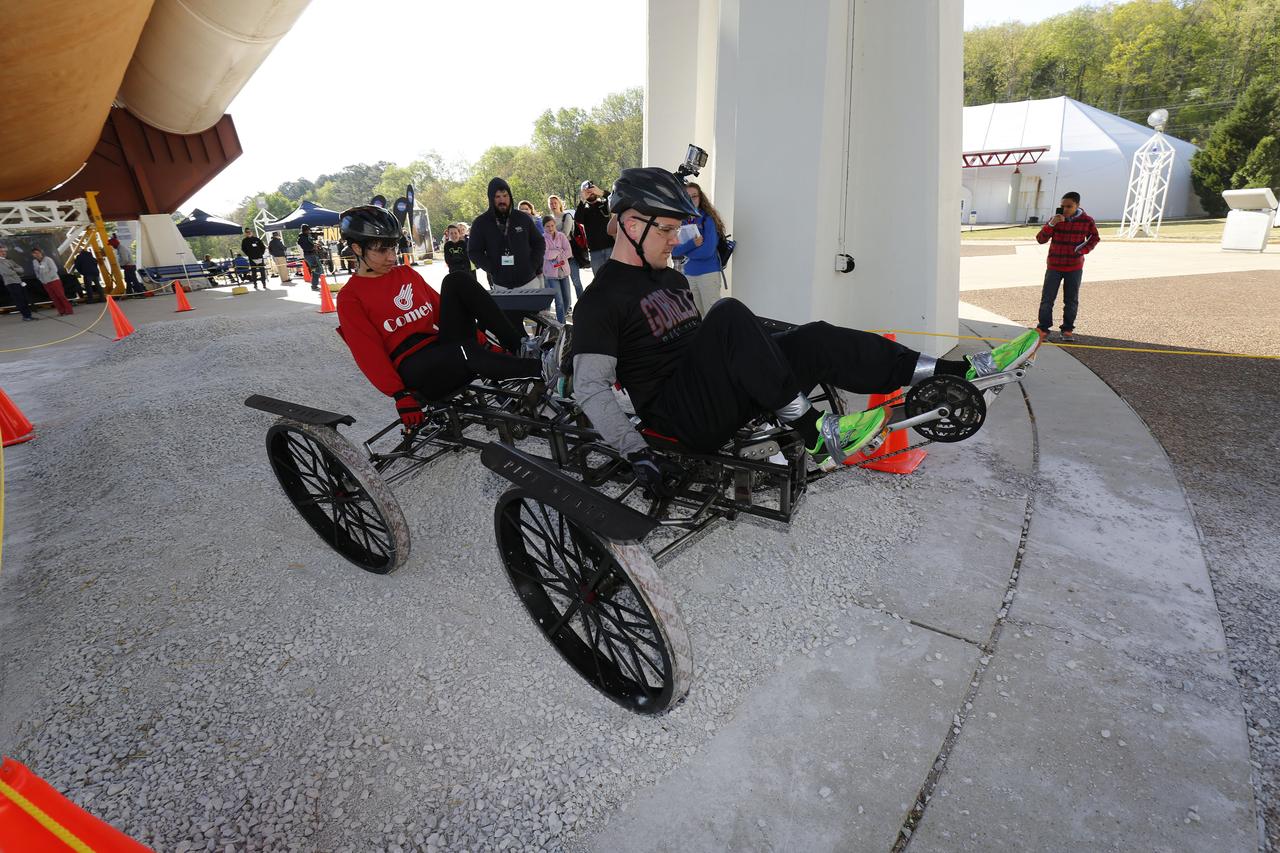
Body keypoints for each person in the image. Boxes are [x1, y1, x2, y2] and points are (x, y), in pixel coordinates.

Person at [568, 167, 1042, 493]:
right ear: (631, 223)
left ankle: (953, 371)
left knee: (812, 336)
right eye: (668, 230)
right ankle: (816, 432)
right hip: (680, 417)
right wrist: (634, 452)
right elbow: (589, 388)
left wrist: (766, 350)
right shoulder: (600, 300)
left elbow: (702, 348)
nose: (677, 240)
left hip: (716, 392)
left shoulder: (670, 278)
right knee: (729, 313)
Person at [334, 205, 551, 429]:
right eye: (382, 250)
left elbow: (442, 311)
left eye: (394, 247)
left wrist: (485, 344)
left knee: (456, 280)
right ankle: (540, 369)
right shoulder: (351, 297)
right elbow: (368, 353)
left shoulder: (406, 273)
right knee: (464, 351)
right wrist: (399, 394)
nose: (392, 257)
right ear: (357, 249)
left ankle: (519, 346)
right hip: (415, 369)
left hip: (442, 348)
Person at [1035, 191, 1099, 343]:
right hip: (1054, 265)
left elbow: (1094, 238)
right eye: (1062, 206)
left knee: (1071, 300)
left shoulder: (1087, 221)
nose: (1065, 209)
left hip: (1074, 266)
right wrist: (1052, 224)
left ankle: (1067, 329)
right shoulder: (1055, 220)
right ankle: (1043, 329)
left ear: (1078, 206)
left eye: (1069, 206)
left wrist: (1082, 250)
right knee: (1047, 299)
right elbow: (1040, 239)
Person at [468, 177, 545, 291]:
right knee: (505, 310)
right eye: (497, 197)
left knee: (531, 309)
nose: (502, 200)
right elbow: (474, 251)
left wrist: (532, 265)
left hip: (528, 282)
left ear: (510, 196)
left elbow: (539, 242)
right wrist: (492, 268)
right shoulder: (481, 223)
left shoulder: (523, 218)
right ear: (491, 198)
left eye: (505, 196)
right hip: (501, 285)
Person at [671, 181, 725, 316]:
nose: (692, 200)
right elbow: (674, 251)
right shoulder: (681, 221)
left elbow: (707, 251)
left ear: (700, 197)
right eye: (688, 197)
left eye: (694, 196)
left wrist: (686, 251)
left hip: (708, 274)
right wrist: (693, 244)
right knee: (695, 316)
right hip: (688, 274)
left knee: (712, 315)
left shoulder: (708, 219)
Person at [548, 194, 585, 299]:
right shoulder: (549, 219)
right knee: (563, 283)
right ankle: (567, 306)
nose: (553, 205)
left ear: (560, 204)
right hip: (556, 257)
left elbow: (564, 233)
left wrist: (552, 237)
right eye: (551, 203)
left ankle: (581, 303)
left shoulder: (566, 216)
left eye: (555, 202)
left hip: (569, 254)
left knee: (576, 281)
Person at [574, 180, 614, 274]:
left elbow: (614, 199)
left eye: (592, 190)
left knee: (614, 278)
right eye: (587, 191)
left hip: (610, 248)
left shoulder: (604, 204)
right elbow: (578, 219)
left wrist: (602, 192)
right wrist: (583, 200)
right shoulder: (584, 208)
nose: (590, 193)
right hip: (595, 252)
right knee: (599, 282)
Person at [541, 215, 573, 322]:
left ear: (555, 225)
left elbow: (569, 251)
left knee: (567, 300)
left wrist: (555, 253)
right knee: (559, 301)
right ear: (543, 227)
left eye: (552, 225)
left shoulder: (561, 236)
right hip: (551, 273)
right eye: (547, 226)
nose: (550, 228)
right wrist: (559, 251)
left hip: (563, 271)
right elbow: (547, 255)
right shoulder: (543, 238)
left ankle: (560, 317)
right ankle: (561, 325)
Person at [31, 247, 73, 315]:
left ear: (41, 253)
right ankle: (61, 311)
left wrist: (49, 277)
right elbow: (36, 271)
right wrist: (40, 279)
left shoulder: (48, 259)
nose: (36, 254)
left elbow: (54, 269)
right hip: (45, 283)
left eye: (37, 253)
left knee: (60, 295)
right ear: (33, 255)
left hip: (54, 280)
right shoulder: (34, 262)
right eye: (34, 253)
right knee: (54, 297)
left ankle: (68, 310)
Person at [1, 245, 35, 321]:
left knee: (24, 299)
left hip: (18, 281)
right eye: (1, 251)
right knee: (19, 300)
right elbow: (7, 272)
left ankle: (28, 315)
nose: (4, 253)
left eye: (4, 251)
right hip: (11, 283)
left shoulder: (9, 260)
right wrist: (15, 270)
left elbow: (21, 269)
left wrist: (13, 269)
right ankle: (26, 316)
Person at [298, 224, 324, 291]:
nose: (309, 231)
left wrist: (315, 245)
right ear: (306, 230)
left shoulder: (306, 237)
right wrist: (314, 247)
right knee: (316, 270)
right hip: (310, 255)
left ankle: (315, 285)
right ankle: (315, 285)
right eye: (308, 230)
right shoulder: (303, 238)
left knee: (316, 269)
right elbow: (306, 247)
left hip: (311, 255)